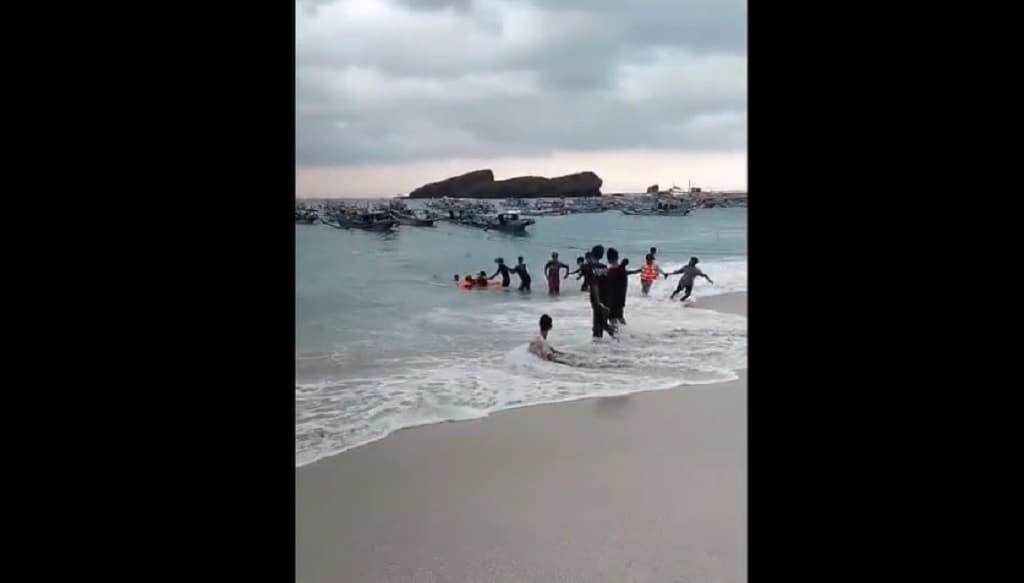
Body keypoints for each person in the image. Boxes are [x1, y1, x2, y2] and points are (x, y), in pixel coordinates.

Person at [581, 245, 616, 339]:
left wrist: (598, 302)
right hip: (607, 299)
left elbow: (594, 285)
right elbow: (609, 284)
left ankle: (616, 340)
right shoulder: (605, 268)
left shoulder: (588, 268)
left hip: (597, 300)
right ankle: (617, 339)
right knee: (602, 323)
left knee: (597, 327)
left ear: (592, 253)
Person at [605, 248, 629, 325]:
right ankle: (627, 333)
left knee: (612, 319)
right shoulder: (622, 270)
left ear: (608, 259)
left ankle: (616, 336)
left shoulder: (611, 271)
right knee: (620, 317)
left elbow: (609, 287)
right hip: (621, 299)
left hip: (612, 300)